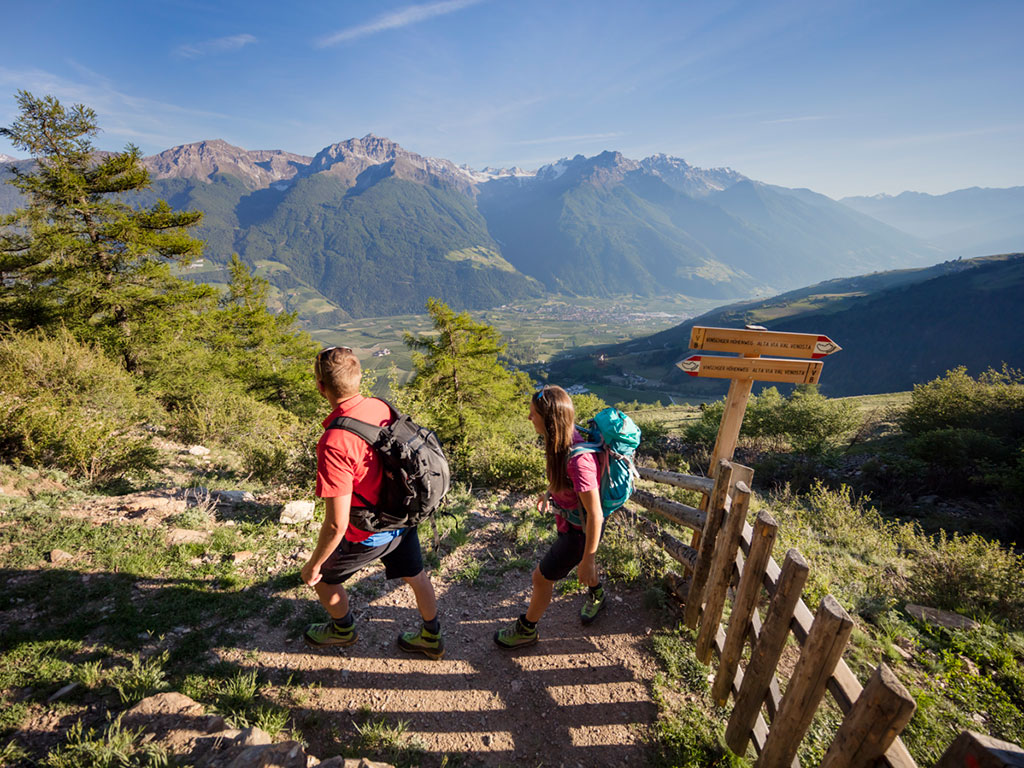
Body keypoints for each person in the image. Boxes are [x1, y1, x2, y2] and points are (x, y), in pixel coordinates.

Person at [301, 346, 444, 659]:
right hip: (404, 515)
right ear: (359, 377)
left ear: (320, 387)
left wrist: (313, 564)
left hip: (370, 531)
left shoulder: (334, 442)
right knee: (416, 576)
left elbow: (337, 524)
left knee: (323, 579)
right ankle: (432, 636)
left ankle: (343, 630)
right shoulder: (380, 405)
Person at [494, 385, 607, 649]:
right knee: (579, 567)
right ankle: (597, 593)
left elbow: (596, 513)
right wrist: (550, 494)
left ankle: (527, 629)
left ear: (549, 419)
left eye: (533, 413)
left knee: (540, 578)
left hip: (579, 534)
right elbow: (567, 483)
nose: (529, 418)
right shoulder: (560, 443)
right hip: (571, 525)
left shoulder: (578, 462)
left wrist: (589, 558)